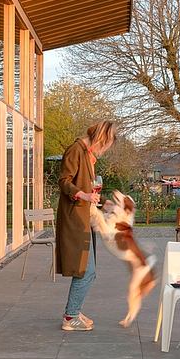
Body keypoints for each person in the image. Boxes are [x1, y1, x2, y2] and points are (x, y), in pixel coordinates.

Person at [55, 120, 118, 331]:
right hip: (74, 220)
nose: (104, 151)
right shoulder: (76, 150)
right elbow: (64, 181)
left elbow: (90, 189)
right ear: (100, 138)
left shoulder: (87, 156)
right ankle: (70, 316)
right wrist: (83, 195)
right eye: (105, 146)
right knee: (86, 270)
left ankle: (74, 311)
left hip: (84, 218)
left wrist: (106, 203)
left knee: (86, 269)